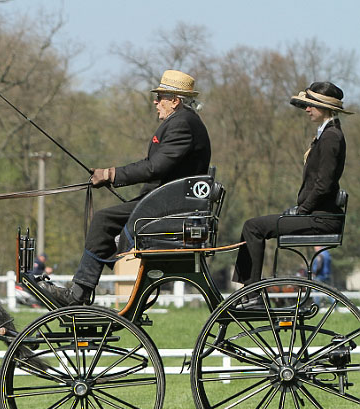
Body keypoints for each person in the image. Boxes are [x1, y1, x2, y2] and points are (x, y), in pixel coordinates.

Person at [39, 70, 211, 305]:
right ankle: (84, 286)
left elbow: (155, 168)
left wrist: (111, 174)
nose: (155, 102)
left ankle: (78, 293)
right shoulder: (184, 121)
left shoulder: (182, 123)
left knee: (102, 221)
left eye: (160, 96)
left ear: (175, 100)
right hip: (169, 203)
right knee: (104, 221)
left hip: (170, 209)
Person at [232, 82, 351, 307]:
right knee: (253, 226)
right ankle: (249, 292)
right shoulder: (326, 133)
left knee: (253, 227)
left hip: (321, 218)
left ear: (324, 107)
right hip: (317, 214)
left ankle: (252, 294)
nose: (306, 109)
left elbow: (323, 184)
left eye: (311, 105)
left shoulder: (331, 136)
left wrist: (301, 210)